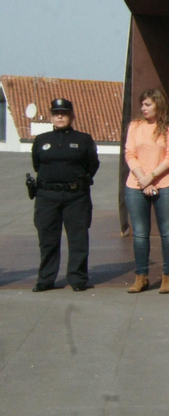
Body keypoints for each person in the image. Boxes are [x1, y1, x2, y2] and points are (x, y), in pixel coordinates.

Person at [31, 97, 98, 292]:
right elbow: (37, 164)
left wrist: (76, 182)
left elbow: (92, 165)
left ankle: (77, 278)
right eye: (56, 113)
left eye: (64, 113)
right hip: (47, 196)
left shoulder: (83, 139)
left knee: (78, 239)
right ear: (51, 116)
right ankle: (46, 279)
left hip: (76, 196)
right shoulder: (41, 140)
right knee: (48, 239)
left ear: (72, 116)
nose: (60, 116)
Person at [123, 88, 169, 294]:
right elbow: (130, 153)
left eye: (148, 104)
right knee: (140, 234)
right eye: (142, 105)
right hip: (136, 184)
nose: (143, 108)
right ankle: (141, 277)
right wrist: (143, 179)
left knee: (167, 232)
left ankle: (168, 276)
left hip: (165, 183)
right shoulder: (135, 126)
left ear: (158, 105)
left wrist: (152, 176)